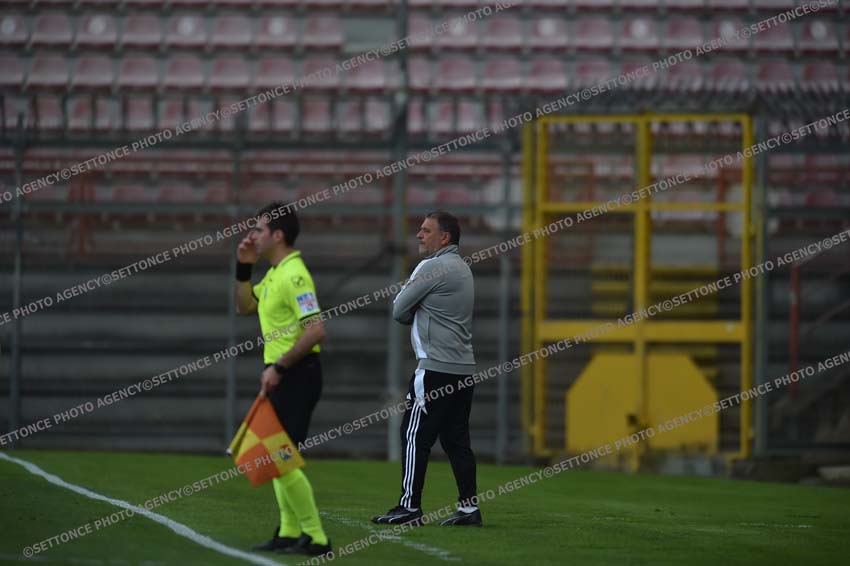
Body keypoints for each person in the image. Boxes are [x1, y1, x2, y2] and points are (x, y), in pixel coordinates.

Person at [372, 210, 481, 527]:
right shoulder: (463, 267)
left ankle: (409, 507)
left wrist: (416, 308)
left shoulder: (431, 266)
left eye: (426, 230)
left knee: (413, 435)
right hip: (463, 369)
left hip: (434, 369)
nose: (419, 235)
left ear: (444, 237)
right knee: (457, 442)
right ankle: (469, 509)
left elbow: (399, 310)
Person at [234, 202, 332, 556]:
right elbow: (245, 306)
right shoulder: (275, 273)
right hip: (283, 375)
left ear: (277, 235)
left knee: (279, 456)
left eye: (259, 229)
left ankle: (317, 537)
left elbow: (316, 330)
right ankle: (290, 532)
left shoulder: (294, 275)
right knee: (276, 457)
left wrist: (279, 368)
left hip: (297, 375)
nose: (253, 235)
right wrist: (243, 267)